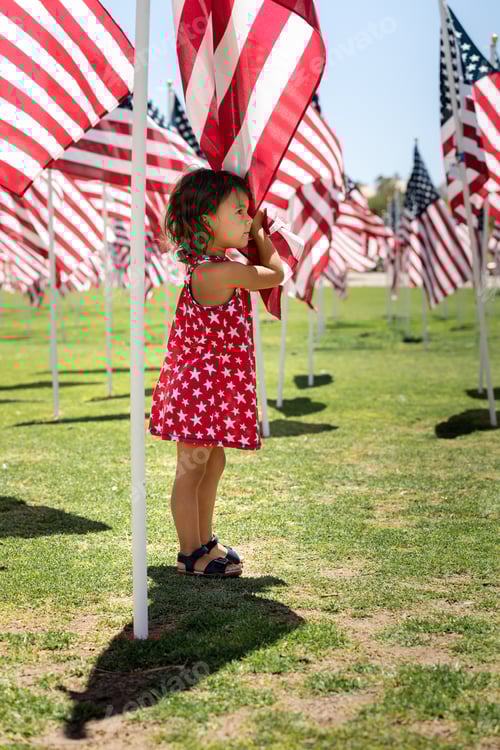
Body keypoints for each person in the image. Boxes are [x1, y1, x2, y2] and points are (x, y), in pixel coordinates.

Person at [148, 167, 284, 577]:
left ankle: (205, 539)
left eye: (249, 212)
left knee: (213, 463)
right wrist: (263, 235)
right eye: (239, 211)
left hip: (212, 387)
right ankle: (189, 552)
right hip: (198, 389)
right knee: (191, 469)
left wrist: (250, 230)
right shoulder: (215, 271)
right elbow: (274, 275)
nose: (247, 217)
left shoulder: (218, 264)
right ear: (208, 219)